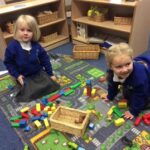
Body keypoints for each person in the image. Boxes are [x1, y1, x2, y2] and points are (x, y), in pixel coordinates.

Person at [4, 15, 60, 102]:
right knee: (28, 94)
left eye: (29, 30)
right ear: (16, 31)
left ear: (34, 32)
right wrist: (17, 76)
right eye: (22, 30)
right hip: (24, 76)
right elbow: (9, 63)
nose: (25, 33)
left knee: (51, 85)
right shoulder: (12, 47)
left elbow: (45, 59)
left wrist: (50, 74)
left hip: (37, 73)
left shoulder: (36, 45)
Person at [105, 43, 150, 119]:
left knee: (143, 102)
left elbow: (141, 94)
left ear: (132, 60)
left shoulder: (139, 76)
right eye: (119, 67)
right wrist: (110, 96)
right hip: (136, 78)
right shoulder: (111, 73)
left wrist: (133, 111)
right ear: (111, 66)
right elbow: (112, 85)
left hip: (145, 77)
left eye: (128, 64)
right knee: (129, 90)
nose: (125, 70)